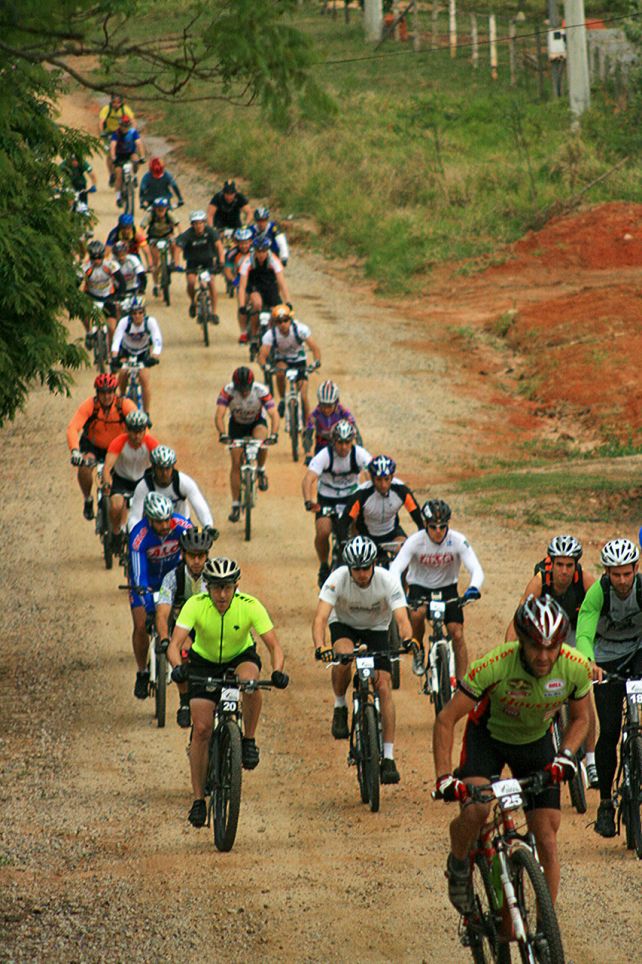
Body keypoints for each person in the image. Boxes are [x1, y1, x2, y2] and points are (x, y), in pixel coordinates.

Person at [433, 595, 591, 913]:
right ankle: (460, 862)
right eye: (536, 646)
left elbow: (582, 719)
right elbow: (446, 719)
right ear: (521, 640)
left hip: (535, 743)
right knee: (477, 810)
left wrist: (567, 755)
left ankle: (545, 925)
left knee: (546, 837)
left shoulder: (575, 667)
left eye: (552, 647)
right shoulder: (495, 666)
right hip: (489, 738)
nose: (544, 656)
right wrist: (444, 778)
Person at [167, 557, 288, 828]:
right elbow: (174, 644)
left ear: (236, 587)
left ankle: (248, 740)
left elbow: (274, 645)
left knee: (250, 682)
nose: (222, 594)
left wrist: (278, 670)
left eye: (228, 587)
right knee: (201, 730)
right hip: (203, 663)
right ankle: (199, 800)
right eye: (216, 588)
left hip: (239, 657)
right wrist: (177, 667)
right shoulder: (195, 605)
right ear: (207, 587)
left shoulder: (250, 605)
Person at [312, 535, 415, 784]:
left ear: (373, 564)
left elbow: (402, 619)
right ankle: (340, 705)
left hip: (377, 629)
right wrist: (320, 646)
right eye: (356, 569)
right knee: (343, 657)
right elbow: (320, 618)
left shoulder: (387, 580)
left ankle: (388, 757)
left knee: (384, 687)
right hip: (344, 625)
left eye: (365, 567)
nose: (361, 574)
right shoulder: (337, 579)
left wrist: (409, 639)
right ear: (348, 567)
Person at [505, 534, 599, 789]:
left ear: (575, 566)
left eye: (570, 565)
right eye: (560, 565)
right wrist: (510, 653)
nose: (565, 571)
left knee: (583, 692)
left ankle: (591, 761)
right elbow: (519, 619)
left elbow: (602, 614)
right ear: (551, 563)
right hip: (544, 635)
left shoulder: (586, 580)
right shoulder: (539, 581)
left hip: (572, 632)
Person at [576, 538, 642, 838]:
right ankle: (605, 804)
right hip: (606, 660)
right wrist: (589, 661)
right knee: (611, 730)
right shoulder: (597, 593)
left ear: (636, 569)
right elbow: (585, 632)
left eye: (627, 573)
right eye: (615, 574)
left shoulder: (640, 589)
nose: (622, 580)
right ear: (607, 573)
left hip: (638, 653)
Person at [390, 499, 483, 681]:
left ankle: (463, 682)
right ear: (425, 524)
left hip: (447, 588)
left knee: (456, 632)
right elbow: (395, 569)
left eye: (442, 526)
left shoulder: (457, 540)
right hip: (420, 587)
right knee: (417, 615)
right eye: (433, 527)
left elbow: (476, 569)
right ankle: (418, 650)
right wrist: (400, 594)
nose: (438, 531)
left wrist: (473, 588)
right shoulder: (415, 542)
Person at [129, 492, 192, 699]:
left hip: (172, 580)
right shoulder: (139, 536)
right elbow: (138, 574)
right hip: (147, 582)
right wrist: (148, 607)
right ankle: (142, 671)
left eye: (167, 519)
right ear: (149, 519)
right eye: (159, 521)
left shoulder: (182, 525)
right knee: (140, 626)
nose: (165, 525)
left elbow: (194, 551)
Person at [156, 527, 219, 728]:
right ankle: (184, 701)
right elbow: (163, 612)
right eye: (192, 556)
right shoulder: (173, 578)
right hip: (181, 626)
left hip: (208, 625)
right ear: (183, 554)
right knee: (182, 651)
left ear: (207, 555)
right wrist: (164, 639)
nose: (197, 561)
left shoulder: (217, 577)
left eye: (201, 556)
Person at [302, 420, 372, 587]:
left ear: (352, 441)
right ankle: (324, 565)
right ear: (334, 442)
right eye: (340, 442)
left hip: (351, 497)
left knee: (358, 529)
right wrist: (308, 501)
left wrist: (370, 494)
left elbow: (371, 473)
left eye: (347, 442)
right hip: (327, 498)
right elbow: (308, 479)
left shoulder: (359, 454)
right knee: (323, 530)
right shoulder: (325, 455)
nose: (343, 447)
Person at [67, 374, 136, 520]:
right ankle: (88, 499)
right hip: (94, 446)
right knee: (84, 467)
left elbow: (139, 424)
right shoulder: (90, 405)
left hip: (118, 449)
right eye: (103, 392)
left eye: (110, 392)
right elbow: (73, 427)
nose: (107, 396)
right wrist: (74, 451)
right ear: (97, 393)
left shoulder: (123, 405)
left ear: (115, 392)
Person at [214, 367, 279, 522]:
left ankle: (261, 469)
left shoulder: (261, 390)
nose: (243, 392)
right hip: (236, 425)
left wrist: (274, 434)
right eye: (240, 389)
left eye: (246, 389)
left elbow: (274, 414)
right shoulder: (227, 391)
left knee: (262, 442)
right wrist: (223, 434)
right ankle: (236, 505)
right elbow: (219, 416)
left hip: (256, 422)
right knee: (235, 463)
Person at [103, 409, 158, 551]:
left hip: (142, 480)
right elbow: (107, 468)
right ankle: (115, 532)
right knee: (116, 506)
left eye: (140, 431)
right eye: (133, 432)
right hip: (121, 480)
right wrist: (107, 482)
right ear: (127, 430)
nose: (137, 436)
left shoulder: (151, 443)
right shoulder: (118, 442)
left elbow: (161, 465)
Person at [256, 303, 321, 422]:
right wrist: (265, 366)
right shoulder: (270, 335)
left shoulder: (301, 329)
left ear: (290, 319)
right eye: (279, 321)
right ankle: (282, 399)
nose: (283, 324)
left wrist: (316, 362)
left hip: (299, 361)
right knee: (280, 371)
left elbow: (315, 348)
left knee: (303, 395)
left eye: (285, 320)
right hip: (282, 359)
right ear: (275, 323)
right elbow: (262, 355)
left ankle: (308, 425)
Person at [344, 455, 423, 551]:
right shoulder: (361, 494)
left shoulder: (401, 491)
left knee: (405, 550)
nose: (383, 485)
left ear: (392, 477)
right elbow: (344, 521)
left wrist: (422, 537)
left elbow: (417, 516)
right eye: (378, 479)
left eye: (387, 479)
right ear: (372, 479)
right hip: (365, 535)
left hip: (392, 533)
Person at [128, 444, 214, 531]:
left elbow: (199, 504)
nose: (164, 473)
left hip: (180, 525)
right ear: (153, 468)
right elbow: (135, 515)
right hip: (154, 528)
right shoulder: (144, 486)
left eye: (167, 468)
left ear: (173, 467)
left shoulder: (183, 482)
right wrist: (133, 533)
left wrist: (208, 525)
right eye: (160, 469)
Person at [110, 295, 162, 413]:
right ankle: (122, 399)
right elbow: (116, 340)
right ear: (130, 314)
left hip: (142, 352)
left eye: (140, 312)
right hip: (126, 351)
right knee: (122, 373)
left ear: (144, 313)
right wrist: (114, 357)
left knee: (144, 379)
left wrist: (154, 356)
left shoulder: (150, 322)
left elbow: (157, 341)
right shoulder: (124, 322)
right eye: (134, 313)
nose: (137, 316)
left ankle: (146, 412)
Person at [236, 237, 289, 344]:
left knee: (278, 313)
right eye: (258, 251)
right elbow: (242, 286)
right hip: (254, 286)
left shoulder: (274, 260)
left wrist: (288, 301)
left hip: (270, 287)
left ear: (268, 250)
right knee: (257, 304)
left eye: (264, 251)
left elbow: (282, 283)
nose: (261, 255)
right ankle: (254, 337)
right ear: (254, 251)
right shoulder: (247, 261)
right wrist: (241, 306)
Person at [175, 210, 224, 323]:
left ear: (205, 223)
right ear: (192, 224)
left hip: (208, 262)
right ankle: (193, 302)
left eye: (201, 223)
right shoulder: (187, 234)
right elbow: (178, 248)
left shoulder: (211, 232)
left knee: (211, 283)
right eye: (196, 223)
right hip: (192, 262)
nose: (199, 226)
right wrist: (176, 264)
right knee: (191, 282)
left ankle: (214, 313)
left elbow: (219, 246)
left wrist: (221, 261)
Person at [81, 239, 125, 345]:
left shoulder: (110, 265)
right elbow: (75, 283)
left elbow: (122, 282)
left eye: (99, 257)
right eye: (94, 258)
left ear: (103, 256)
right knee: (82, 310)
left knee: (112, 329)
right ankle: (89, 332)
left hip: (108, 297)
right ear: (90, 257)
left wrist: (120, 295)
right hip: (92, 296)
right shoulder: (85, 268)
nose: (97, 261)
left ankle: (111, 354)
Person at [303, 380, 358, 463]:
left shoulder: (343, 411)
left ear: (336, 403)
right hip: (321, 446)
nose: (326, 409)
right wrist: (308, 453)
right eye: (323, 405)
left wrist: (359, 450)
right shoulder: (315, 415)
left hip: (340, 444)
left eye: (329, 406)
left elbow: (355, 430)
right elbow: (308, 435)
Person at [140, 197, 180, 295]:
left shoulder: (169, 214)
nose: (161, 211)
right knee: (155, 262)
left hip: (167, 235)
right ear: (154, 209)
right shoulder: (150, 215)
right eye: (158, 209)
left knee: (175, 243)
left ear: (166, 208)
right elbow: (141, 228)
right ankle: (156, 284)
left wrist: (180, 235)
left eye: (163, 208)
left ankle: (174, 262)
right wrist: (142, 238)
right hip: (154, 237)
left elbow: (178, 225)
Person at [99, 93, 136, 183]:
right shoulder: (106, 109)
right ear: (111, 102)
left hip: (123, 132)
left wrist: (133, 131)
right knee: (110, 154)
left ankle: (133, 175)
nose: (116, 104)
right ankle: (112, 173)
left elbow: (133, 120)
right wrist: (102, 132)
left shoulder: (125, 109)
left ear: (121, 103)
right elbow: (101, 122)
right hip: (109, 133)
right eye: (114, 102)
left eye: (118, 103)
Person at [109, 114, 145, 207]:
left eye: (126, 126)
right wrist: (113, 157)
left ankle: (135, 176)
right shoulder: (116, 133)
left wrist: (142, 156)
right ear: (120, 125)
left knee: (136, 160)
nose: (124, 128)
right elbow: (113, 146)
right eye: (123, 125)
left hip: (130, 153)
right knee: (119, 175)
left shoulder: (133, 132)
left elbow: (139, 143)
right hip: (119, 156)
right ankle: (118, 197)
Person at [223, 226, 253, 297]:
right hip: (240, 276)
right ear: (237, 243)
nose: (244, 246)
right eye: (241, 243)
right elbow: (227, 271)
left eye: (246, 243)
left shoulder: (255, 251)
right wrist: (234, 280)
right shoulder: (231, 253)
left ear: (250, 242)